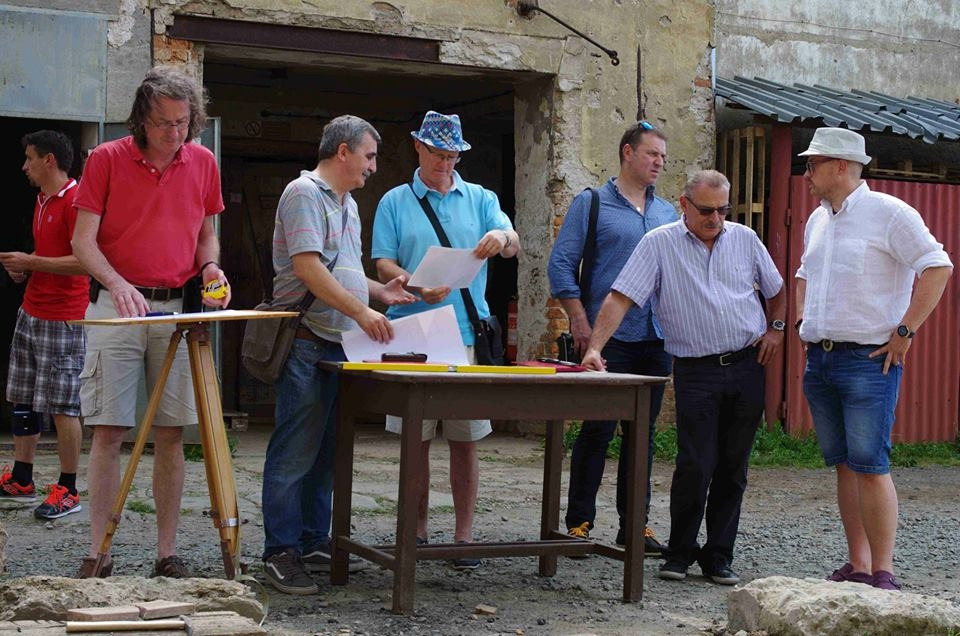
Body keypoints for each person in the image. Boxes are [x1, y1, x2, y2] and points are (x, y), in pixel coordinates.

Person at [581, 169, 785, 585]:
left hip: (747, 365)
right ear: (684, 204)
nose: (715, 219)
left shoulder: (745, 239)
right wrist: (595, 347)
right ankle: (679, 552)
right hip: (696, 370)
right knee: (695, 463)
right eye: (706, 210)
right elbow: (621, 297)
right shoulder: (659, 243)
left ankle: (719, 556)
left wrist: (776, 330)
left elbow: (777, 290)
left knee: (734, 466)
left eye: (723, 210)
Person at [71, 66, 231, 579]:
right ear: (142, 118)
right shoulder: (105, 158)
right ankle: (99, 551)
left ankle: (167, 552)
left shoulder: (202, 161)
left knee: (171, 431)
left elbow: (206, 233)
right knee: (108, 430)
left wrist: (211, 266)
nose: (174, 132)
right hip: (114, 307)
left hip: (176, 308)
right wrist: (117, 283)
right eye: (164, 122)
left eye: (183, 122)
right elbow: (82, 241)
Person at [260, 115, 416, 595]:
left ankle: (312, 541)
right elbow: (308, 269)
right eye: (369, 156)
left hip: (336, 342)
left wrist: (379, 292)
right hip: (307, 339)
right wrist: (363, 311)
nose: (373, 166)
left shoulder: (347, 203)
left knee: (327, 450)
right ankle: (279, 551)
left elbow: (340, 269)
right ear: (343, 151)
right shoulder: (304, 193)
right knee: (295, 450)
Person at [795, 127, 953, 591]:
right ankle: (859, 564)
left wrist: (905, 331)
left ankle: (883, 571)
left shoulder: (890, 213)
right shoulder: (818, 220)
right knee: (844, 464)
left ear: (840, 166)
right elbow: (804, 272)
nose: (806, 173)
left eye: (813, 164)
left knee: (870, 464)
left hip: (869, 361)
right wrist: (804, 318)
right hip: (821, 359)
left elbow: (937, 266)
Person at [371, 110, 519, 569]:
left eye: (453, 156)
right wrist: (413, 282)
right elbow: (382, 263)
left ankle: (464, 536)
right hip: (413, 332)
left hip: (465, 332)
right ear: (418, 147)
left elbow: (512, 241)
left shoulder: (481, 198)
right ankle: (415, 532)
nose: (445, 163)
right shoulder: (394, 201)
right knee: (414, 441)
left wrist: (500, 236)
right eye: (437, 154)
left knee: (465, 438)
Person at [547, 120, 677, 554]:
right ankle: (579, 523)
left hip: (656, 339)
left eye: (663, 156)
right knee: (597, 428)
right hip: (608, 339)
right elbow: (561, 265)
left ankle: (635, 525)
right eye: (651, 154)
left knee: (642, 435)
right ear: (627, 152)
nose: (659, 162)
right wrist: (579, 321)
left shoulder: (666, 213)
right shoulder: (592, 204)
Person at [0, 130, 88, 521]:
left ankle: (68, 489)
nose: (25, 166)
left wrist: (31, 262)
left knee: (63, 405)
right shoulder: (42, 200)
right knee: (22, 397)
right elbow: (52, 253)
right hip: (31, 311)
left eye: (30, 158)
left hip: (64, 318)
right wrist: (26, 268)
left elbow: (85, 261)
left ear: (49, 160)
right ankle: (22, 478)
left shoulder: (77, 201)